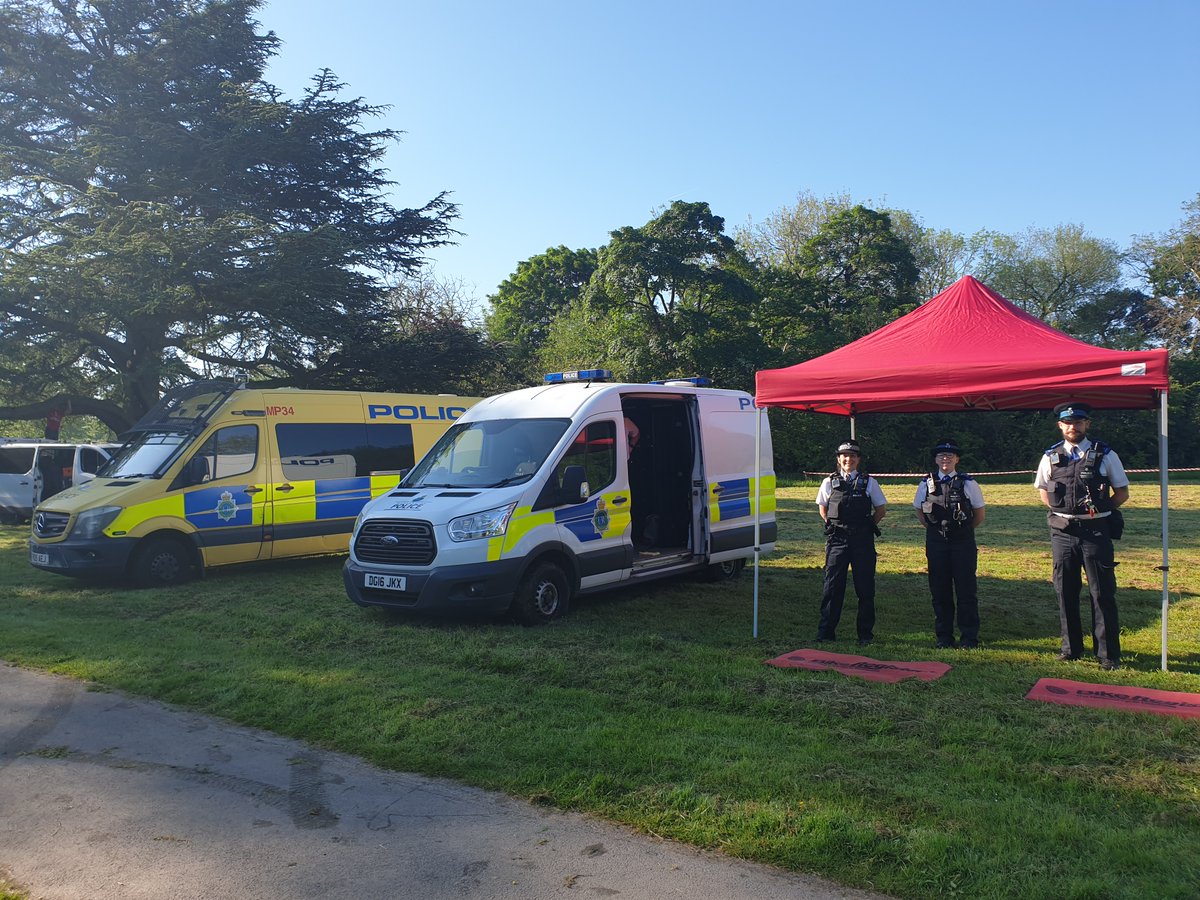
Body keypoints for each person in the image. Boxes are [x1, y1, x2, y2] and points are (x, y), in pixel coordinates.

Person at [1034, 402, 1130, 671]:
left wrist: (1100, 510)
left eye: (1078, 422)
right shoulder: (1050, 456)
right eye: (1068, 422)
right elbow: (1043, 491)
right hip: (1062, 531)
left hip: (1095, 531)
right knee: (1064, 591)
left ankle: (1107, 654)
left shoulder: (1105, 454)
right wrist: (1064, 512)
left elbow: (1121, 492)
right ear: (1060, 425)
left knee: (1101, 592)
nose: (1072, 426)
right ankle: (1071, 649)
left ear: (1087, 424)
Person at [913, 439, 986, 649]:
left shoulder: (968, 483)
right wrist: (933, 529)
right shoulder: (925, 483)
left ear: (957, 459)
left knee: (966, 590)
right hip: (936, 541)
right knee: (939, 590)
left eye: (950, 456)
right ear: (936, 459)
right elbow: (919, 510)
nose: (945, 459)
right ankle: (944, 636)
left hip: (962, 541)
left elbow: (979, 514)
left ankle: (969, 637)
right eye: (941, 456)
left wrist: (963, 531)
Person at [815, 440, 887, 645]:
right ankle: (826, 632)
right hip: (837, 540)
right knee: (832, 587)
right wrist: (831, 524)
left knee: (865, 588)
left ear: (858, 460)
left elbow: (881, 509)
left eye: (853, 456)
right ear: (838, 459)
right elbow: (823, 507)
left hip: (862, 541)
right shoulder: (829, 482)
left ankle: (865, 635)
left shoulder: (869, 482)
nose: (849, 459)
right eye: (844, 456)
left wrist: (866, 527)